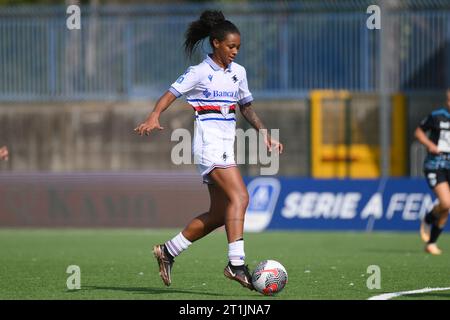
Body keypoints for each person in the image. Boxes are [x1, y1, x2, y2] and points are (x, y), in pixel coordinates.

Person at [134, 10, 283, 290]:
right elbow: (170, 94)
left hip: (226, 147)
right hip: (209, 147)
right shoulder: (200, 72)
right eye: (231, 46)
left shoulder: (239, 74)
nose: (235, 52)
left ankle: (168, 251)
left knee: (218, 213)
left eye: (238, 47)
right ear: (216, 43)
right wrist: (154, 115)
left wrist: (265, 133)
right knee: (241, 197)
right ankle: (236, 264)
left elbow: (246, 107)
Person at [416, 89, 450, 255]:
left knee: (446, 208)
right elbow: (419, 131)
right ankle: (429, 218)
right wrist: (430, 145)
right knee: (446, 203)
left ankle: (431, 243)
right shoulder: (437, 116)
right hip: (436, 165)